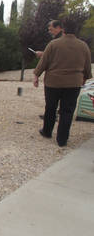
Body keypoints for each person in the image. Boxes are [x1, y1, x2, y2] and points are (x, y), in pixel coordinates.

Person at [33, 18, 92, 147]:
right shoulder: (83, 46)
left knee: (51, 108)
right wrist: (85, 78)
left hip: (53, 82)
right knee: (67, 111)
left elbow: (44, 62)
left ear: (63, 29)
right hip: (73, 84)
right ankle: (62, 139)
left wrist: (36, 75)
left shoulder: (54, 44)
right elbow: (87, 66)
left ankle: (47, 131)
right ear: (77, 31)